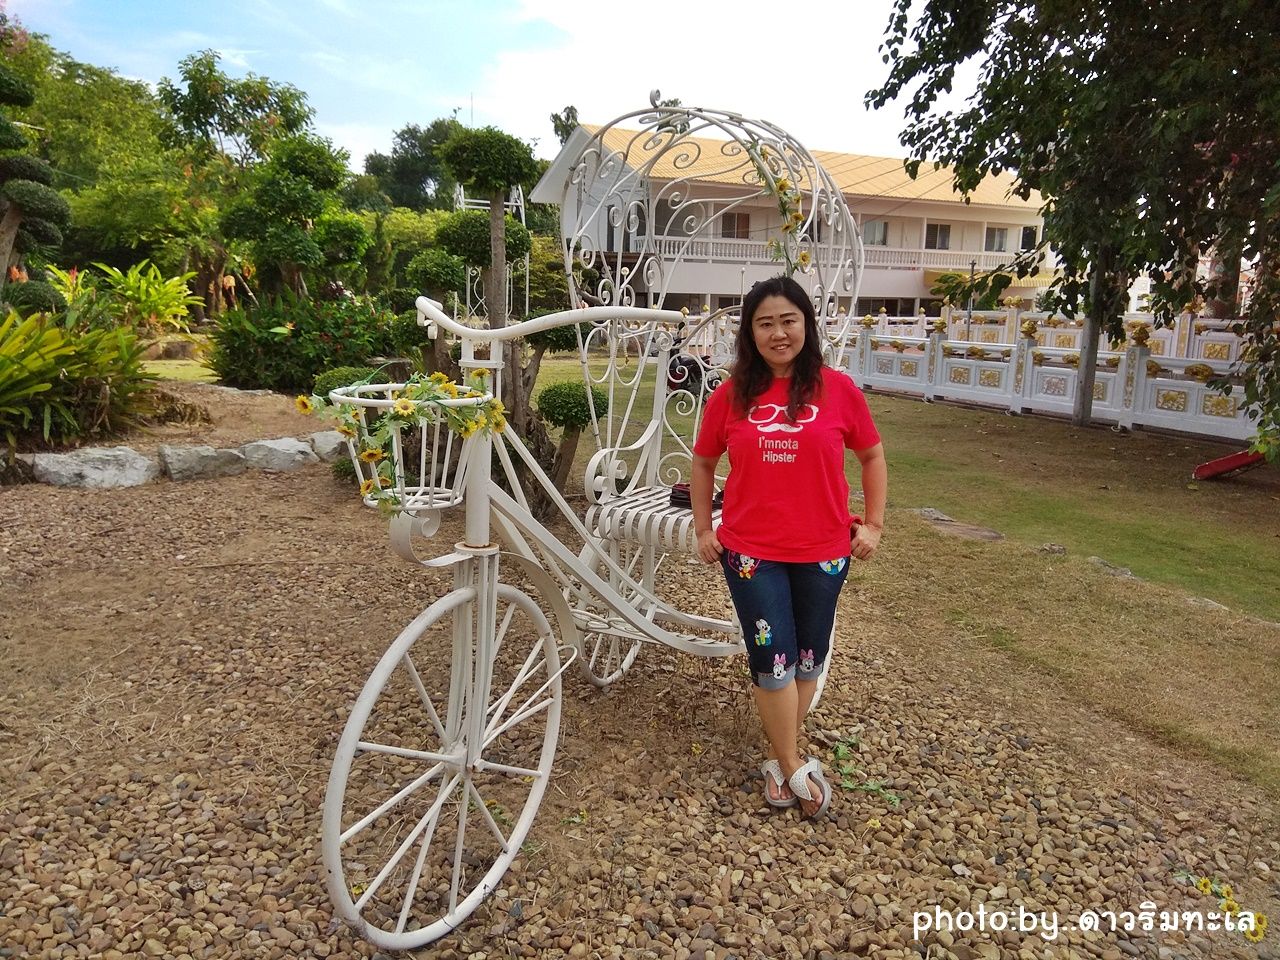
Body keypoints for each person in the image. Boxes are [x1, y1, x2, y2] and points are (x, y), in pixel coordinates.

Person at [690, 275, 887, 820]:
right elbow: (703, 463)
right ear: (750, 333)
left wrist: (873, 524)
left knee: (807, 656)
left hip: (825, 551)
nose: (778, 333)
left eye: (788, 321)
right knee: (772, 656)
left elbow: (872, 456)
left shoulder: (838, 389)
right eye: (765, 324)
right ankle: (792, 761)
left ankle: (780, 758)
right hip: (752, 554)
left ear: (806, 325)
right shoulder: (731, 395)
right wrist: (705, 529)